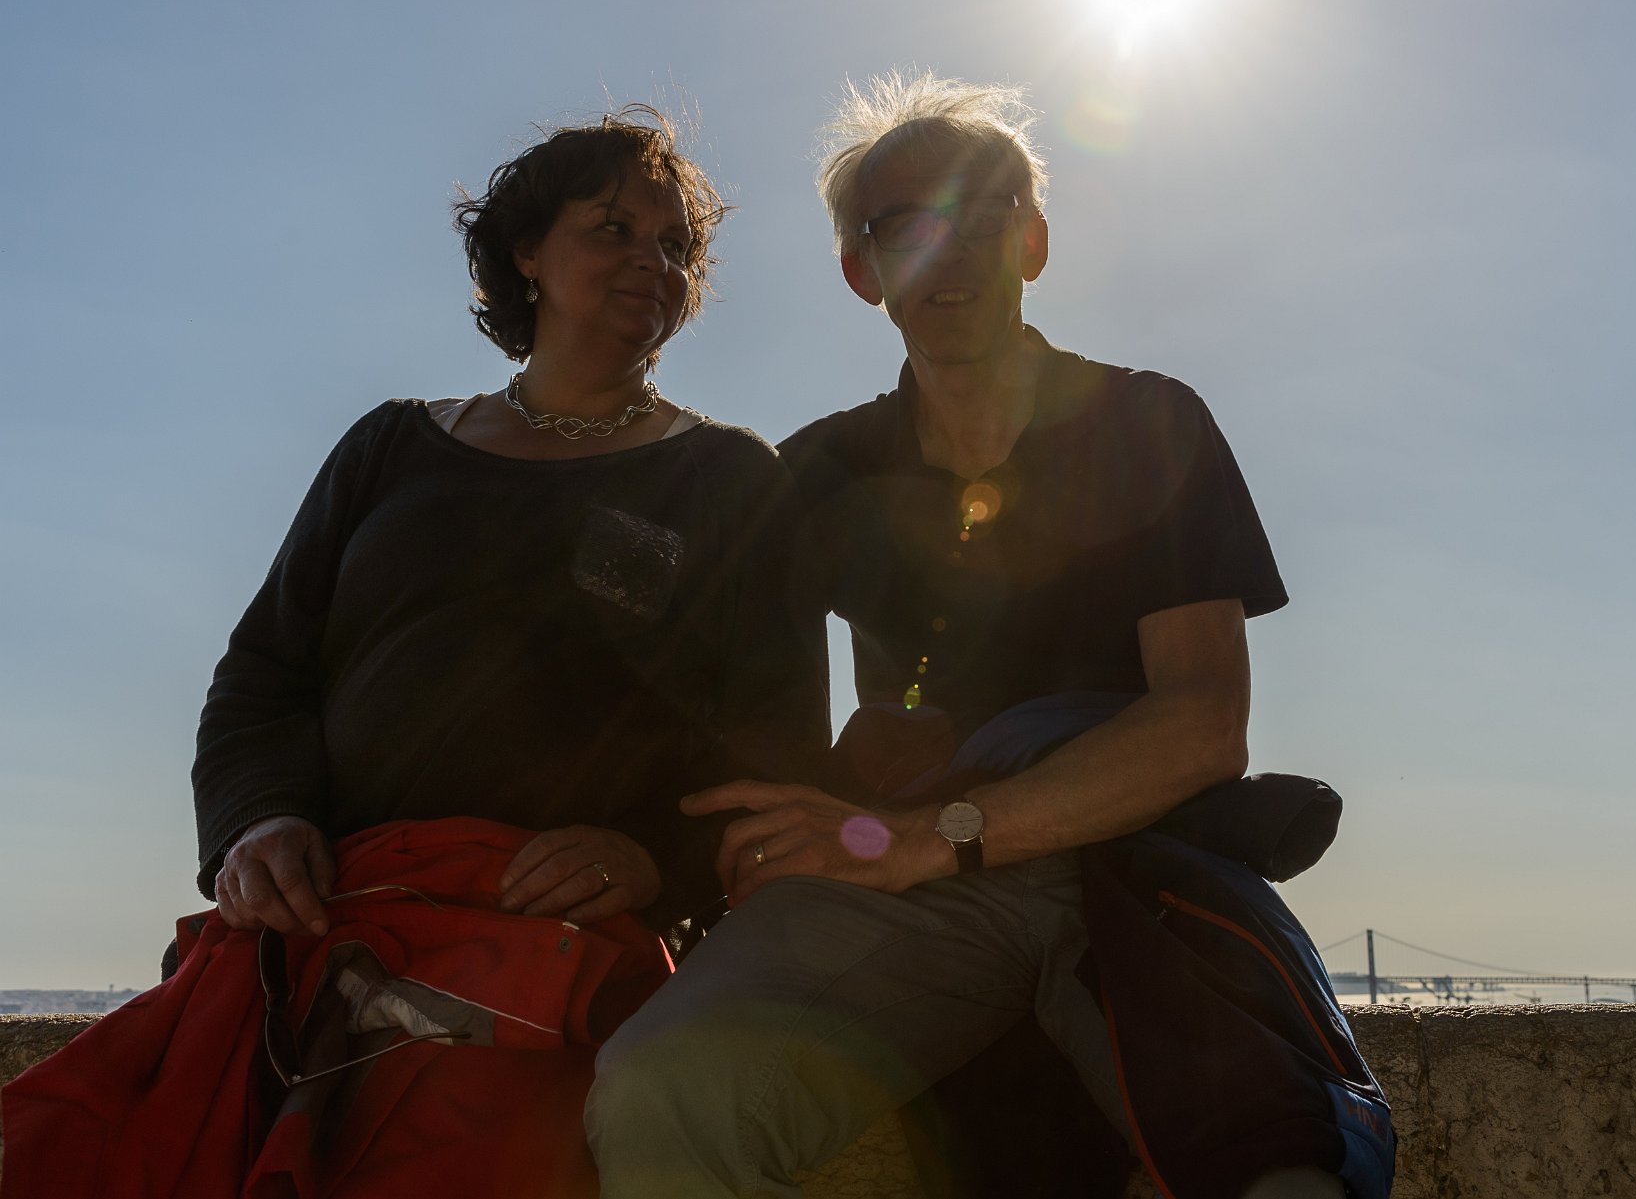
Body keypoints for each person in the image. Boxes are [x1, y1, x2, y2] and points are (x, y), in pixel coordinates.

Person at [586, 76, 1392, 1198]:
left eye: (981, 215)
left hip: (1133, 867)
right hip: (916, 903)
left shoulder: (1147, 423)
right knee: (660, 1091)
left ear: (1034, 241)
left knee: (1275, 1167)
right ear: (863, 272)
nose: (949, 252)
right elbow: (678, 669)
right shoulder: (820, 471)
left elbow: (1204, 724)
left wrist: (934, 836)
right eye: (907, 226)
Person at [0, 107, 826, 1199]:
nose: (652, 263)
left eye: (675, 246)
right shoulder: (392, 444)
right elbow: (262, 675)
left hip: (549, 956)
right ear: (525, 252)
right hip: (323, 922)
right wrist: (260, 822)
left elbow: (778, 752)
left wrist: (650, 860)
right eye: (613, 229)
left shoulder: (732, 479)